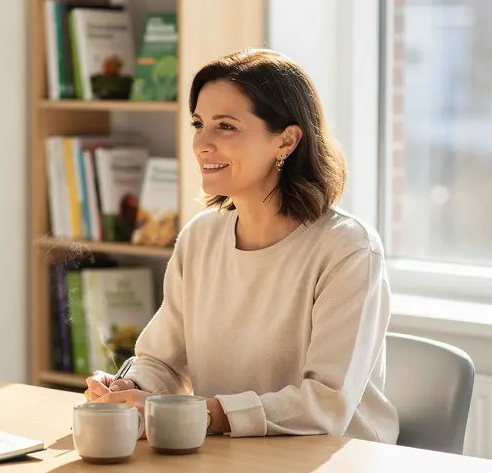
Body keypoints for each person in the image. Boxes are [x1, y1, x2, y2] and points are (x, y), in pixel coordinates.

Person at [85, 49, 399, 444]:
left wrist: (206, 414)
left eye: (226, 127)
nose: (202, 143)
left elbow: (325, 403)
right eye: (198, 124)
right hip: (228, 453)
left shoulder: (348, 250)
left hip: (334, 458)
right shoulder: (200, 238)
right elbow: (163, 361)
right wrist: (129, 392)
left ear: (286, 140)